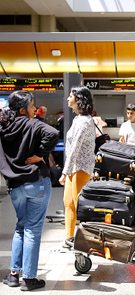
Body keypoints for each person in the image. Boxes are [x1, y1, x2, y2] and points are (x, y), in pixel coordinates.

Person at [0, 91, 59, 291]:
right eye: (33, 105)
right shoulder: (33, 124)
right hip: (36, 183)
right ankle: (29, 278)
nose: (35, 109)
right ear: (23, 109)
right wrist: (39, 155)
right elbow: (53, 133)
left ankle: (14, 274)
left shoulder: (5, 127)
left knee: (20, 226)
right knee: (32, 229)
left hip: (15, 186)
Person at [58, 86, 96, 248]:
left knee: (78, 204)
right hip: (76, 167)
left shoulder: (84, 121)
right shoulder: (78, 119)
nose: (67, 98)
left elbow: (75, 148)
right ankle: (69, 237)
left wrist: (65, 171)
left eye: (71, 96)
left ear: (79, 100)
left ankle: (85, 238)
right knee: (68, 202)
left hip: (81, 168)